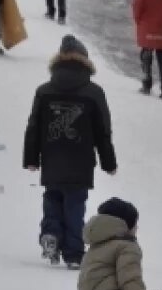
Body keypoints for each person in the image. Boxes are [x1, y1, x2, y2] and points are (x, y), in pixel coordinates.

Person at [23, 35, 117, 269]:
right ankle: (74, 253)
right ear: (84, 62)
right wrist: (108, 162)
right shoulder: (94, 92)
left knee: (52, 197)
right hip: (80, 160)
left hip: (53, 156)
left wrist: (31, 158)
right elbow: (102, 130)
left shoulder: (44, 91)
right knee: (75, 203)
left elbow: (34, 126)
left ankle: (51, 235)